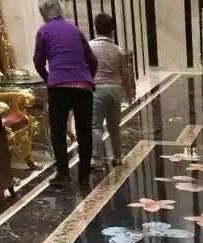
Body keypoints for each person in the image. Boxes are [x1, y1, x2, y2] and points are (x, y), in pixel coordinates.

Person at [33, 0, 97, 187]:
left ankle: (63, 174)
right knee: (84, 132)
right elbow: (92, 60)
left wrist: (49, 79)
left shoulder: (44, 31)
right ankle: (84, 176)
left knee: (58, 131)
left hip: (59, 87)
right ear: (60, 10)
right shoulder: (75, 30)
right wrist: (87, 78)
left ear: (43, 14)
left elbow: (38, 61)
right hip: (83, 87)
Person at [89, 12, 133, 170]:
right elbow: (125, 73)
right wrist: (129, 92)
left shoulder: (89, 47)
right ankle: (118, 156)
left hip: (97, 89)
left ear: (95, 28)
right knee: (114, 126)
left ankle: (97, 159)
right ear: (112, 30)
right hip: (115, 89)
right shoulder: (118, 50)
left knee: (95, 126)